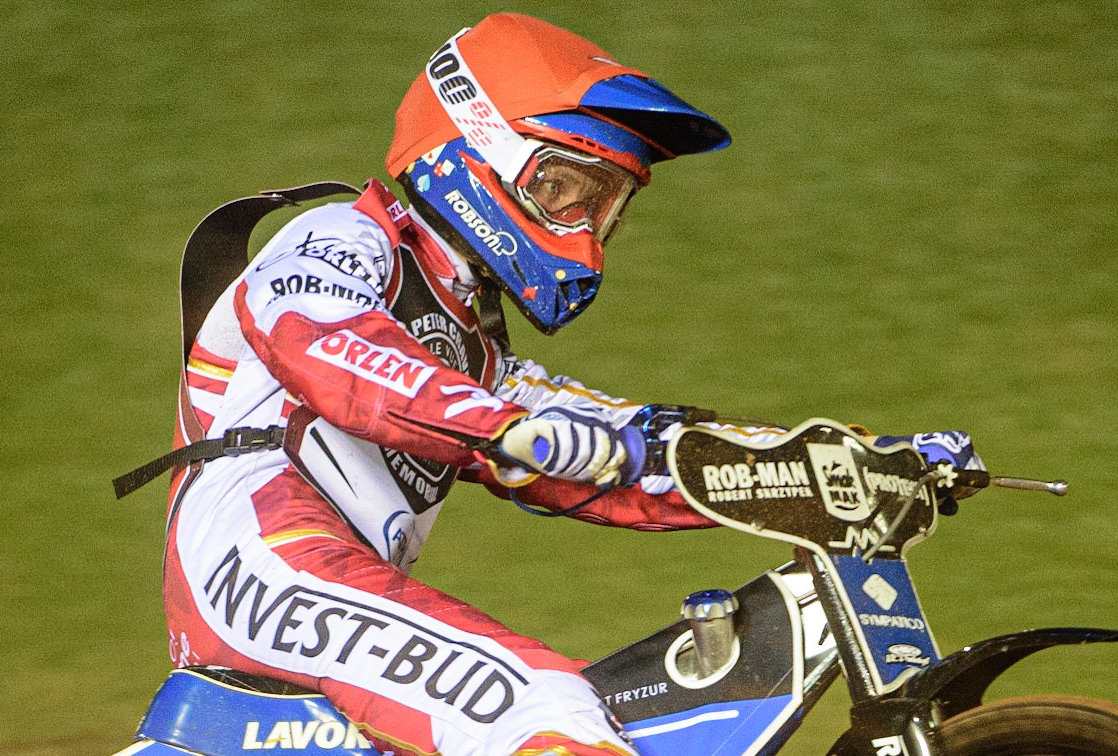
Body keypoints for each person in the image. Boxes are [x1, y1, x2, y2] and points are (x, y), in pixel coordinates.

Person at [144, 13, 983, 756]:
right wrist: (503, 427)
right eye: (562, 189)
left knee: (598, 715)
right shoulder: (338, 238)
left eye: (604, 206)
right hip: (261, 559)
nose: (583, 230)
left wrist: (848, 465)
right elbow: (323, 349)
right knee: (543, 714)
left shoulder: (476, 350)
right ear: (476, 149)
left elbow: (626, 449)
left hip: (331, 574)